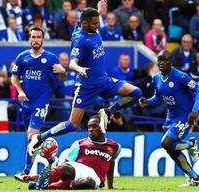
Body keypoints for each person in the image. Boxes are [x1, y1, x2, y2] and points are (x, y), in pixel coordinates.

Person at [27, 3, 142, 156]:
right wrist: (79, 68)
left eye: (98, 21)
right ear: (86, 23)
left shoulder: (87, 24)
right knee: (72, 124)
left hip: (104, 81)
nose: (98, 25)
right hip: (87, 87)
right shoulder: (80, 39)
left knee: (136, 93)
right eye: (95, 23)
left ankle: (107, 112)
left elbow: (91, 16)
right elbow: (73, 62)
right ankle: (40, 138)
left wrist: (99, 10)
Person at [139, 50, 199, 187]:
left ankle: (190, 144)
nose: (162, 63)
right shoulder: (156, 78)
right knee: (170, 149)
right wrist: (148, 102)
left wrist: (194, 111)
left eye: (165, 60)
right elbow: (158, 97)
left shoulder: (181, 76)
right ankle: (194, 178)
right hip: (170, 116)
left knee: (166, 143)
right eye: (159, 60)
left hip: (184, 116)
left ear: (171, 61)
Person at [11, 26, 66, 180]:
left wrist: (63, 72)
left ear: (43, 39)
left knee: (32, 135)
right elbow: (14, 77)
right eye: (33, 37)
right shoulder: (22, 57)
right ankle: (52, 160)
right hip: (26, 102)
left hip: (41, 103)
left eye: (38, 37)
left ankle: (26, 171)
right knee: (32, 139)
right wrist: (20, 91)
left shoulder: (50, 58)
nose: (36, 40)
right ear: (29, 39)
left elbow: (61, 80)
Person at [22, 114, 121, 190]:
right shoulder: (79, 143)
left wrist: (110, 186)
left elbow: (111, 162)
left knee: (88, 182)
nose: (90, 129)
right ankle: (40, 179)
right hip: (78, 169)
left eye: (94, 126)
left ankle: (44, 185)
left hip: (95, 176)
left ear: (102, 128)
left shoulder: (115, 147)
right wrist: (55, 172)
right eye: (89, 126)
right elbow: (65, 164)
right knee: (65, 168)